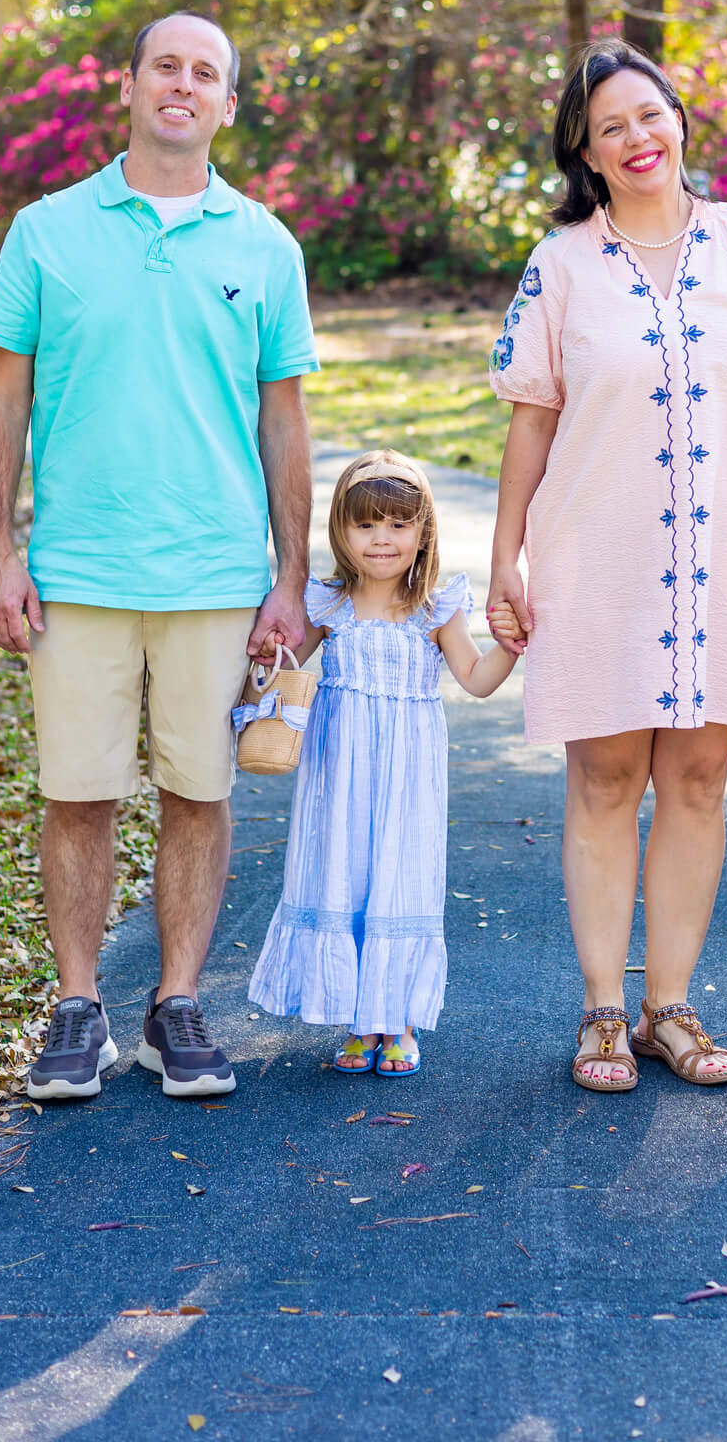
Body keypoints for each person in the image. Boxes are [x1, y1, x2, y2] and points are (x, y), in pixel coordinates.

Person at [0, 11, 318, 1103]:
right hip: (77, 573)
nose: (182, 84)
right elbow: (3, 400)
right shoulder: (47, 230)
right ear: (127, 86)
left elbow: (283, 420)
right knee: (78, 796)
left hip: (215, 575)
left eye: (204, 72)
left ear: (227, 104)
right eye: (165, 65)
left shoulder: (264, 245)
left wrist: (291, 576)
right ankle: (79, 1008)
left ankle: (177, 1006)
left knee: (197, 793)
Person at [485, 39, 727, 1094]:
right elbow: (532, 416)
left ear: (678, 121)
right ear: (586, 155)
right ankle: (602, 1009)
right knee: (603, 779)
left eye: (649, 115)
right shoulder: (560, 265)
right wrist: (504, 558)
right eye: (610, 128)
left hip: (726, 557)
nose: (636, 138)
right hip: (596, 555)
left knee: (696, 777)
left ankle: (668, 1007)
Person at [248, 452, 515, 1076]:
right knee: (346, 871)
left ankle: (399, 1020)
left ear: (423, 532)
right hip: (339, 770)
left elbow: (476, 679)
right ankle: (359, 1019)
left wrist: (510, 646)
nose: (381, 539)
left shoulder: (436, 610)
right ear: (341, 531)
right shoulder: (329, 605)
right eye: (365, 525)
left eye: (398, 524)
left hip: (408, 773)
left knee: (398, 873)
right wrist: (266, 654)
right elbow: (282, 669)